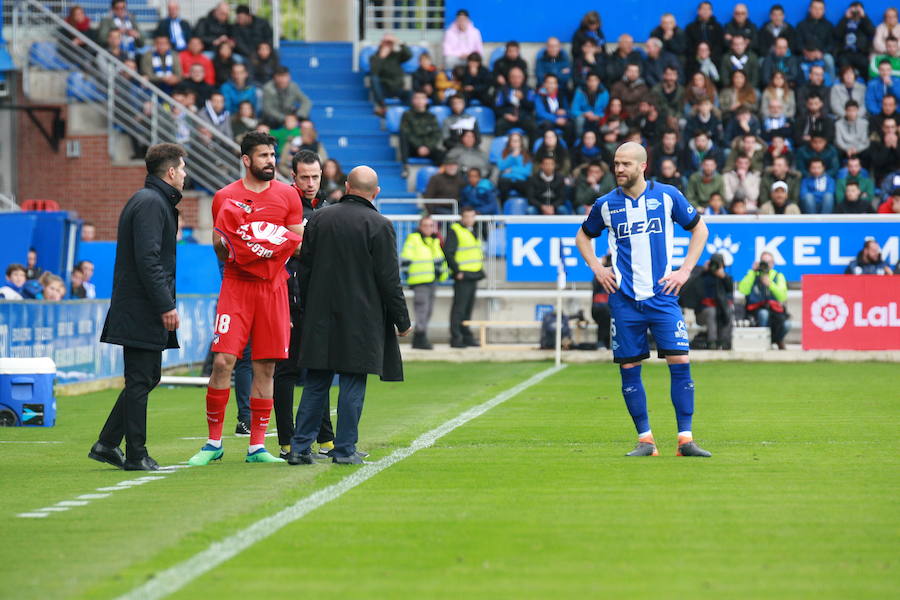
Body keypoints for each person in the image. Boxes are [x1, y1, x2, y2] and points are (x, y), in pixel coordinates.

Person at [575, 141, 711, 458]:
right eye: (616, 163)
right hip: (623, 300)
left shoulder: (667, 195)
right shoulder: (605, 204)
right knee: (629, 367)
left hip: (663, 296)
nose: (618, 169)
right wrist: (597, 268)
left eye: (625, 164)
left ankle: (685, 440)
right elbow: (583, 236)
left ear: (642, 166)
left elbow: (700, 229)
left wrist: (685, 270)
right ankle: (646, 441)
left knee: (680, 362)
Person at [187, 131, 303, 466]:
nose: (271, 161)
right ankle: (213, 443)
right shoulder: (225, 196)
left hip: (273, 288)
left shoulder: (288, 196)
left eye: (272, 155)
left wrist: (268, 240)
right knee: (224, 361)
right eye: (264, 156)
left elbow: (297, 242)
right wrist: (240, 242)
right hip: (237, 286)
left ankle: (256, 447)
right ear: (246, 160)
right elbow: (218, 247)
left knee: (265, 365)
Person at [287, 166, 411, 465]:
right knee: (352, 381)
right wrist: (402, 320)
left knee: (317, 382)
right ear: (376, 192)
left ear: (346, 186)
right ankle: (344, 449)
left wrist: (306, 306)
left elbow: (304, 268)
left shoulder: (318, 219)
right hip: (361, 318)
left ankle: (300, 448)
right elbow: (388, 279)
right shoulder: (379, 225)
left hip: (320, 315)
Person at [89, 143, 185, 472]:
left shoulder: (152, 201)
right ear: (170, 171)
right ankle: (135, 453)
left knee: (146, 377)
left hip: (141, 307)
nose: (185, 175)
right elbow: (148, 259)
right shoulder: (151, 203)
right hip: (142, 308)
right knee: (141, 379)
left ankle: (106, 444)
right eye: (183, 169)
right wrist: (165, 305)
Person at [273, 150, 336, 460]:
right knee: (286, 369)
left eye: (315, 177)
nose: (311, 183)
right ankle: (287, 441)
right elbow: (287, 247)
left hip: (317, 300)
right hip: (288, 300)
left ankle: (325, 441)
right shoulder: (284, 205)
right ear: (293, 177)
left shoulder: (324, 207)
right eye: (305, 177)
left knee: (320, 369)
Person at [401, 215, 447, 350]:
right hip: (419, 281)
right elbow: (405, 259)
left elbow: (439, 260)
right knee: (422, 310)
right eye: (425, 225)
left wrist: (441, 275)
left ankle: (420, 336)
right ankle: (420, 337)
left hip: (431, 280)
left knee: (428, 310)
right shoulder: (414, 239)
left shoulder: (433, 241)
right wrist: (407, 276)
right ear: (420, 227)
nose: (428, 228)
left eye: (431, 225)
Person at [445, 206, 484, 348]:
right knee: (459, 308)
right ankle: (456, 338)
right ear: (462, 217)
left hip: (472, 274)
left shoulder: (472, 231)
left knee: (468, 308)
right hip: (463, 275)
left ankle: (466, 336)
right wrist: (457, 271)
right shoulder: (455, 230)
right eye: (467, 216)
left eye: (472, 216)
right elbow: (448, 252)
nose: (470, 219)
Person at [738, 251, 789, 350]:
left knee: (787, 324)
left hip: (775, 312)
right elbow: (742, 289)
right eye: (764, 262)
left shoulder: (778, 276)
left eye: (769, 262)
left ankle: (778, 340)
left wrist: (770, 285)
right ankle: (762, 343)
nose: (766, 265)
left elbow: (782, 297)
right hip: (756, 310)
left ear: (773, 264)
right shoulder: (753, 274)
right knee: (763, 313)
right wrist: (752, 272)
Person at [685, 253, 734, 350]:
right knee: (712, 311)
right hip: (702, 313)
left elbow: (730, 289)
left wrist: (723, 276)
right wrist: (702, 271)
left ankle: (725, 342)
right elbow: (690, 286)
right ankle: (712, 342)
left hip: (721, 311)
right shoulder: (702, 276)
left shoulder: (725, 277)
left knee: (727, 311)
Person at [369, 33, 413, 116]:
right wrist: (381, 57)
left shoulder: (397, 55)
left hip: (397, 87)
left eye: (390, 42)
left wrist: (399, 42)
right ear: (381, 43)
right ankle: (382, 106)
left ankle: (408, 114)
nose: (388, 45)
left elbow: (410, 55)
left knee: (410, 93)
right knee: (374, 79)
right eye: (386, 42)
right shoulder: (374, 57)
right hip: (384, 88)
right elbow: (374, 72)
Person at [400, 91, 443, 169]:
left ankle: (438, 173)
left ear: (426, 101)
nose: (419, 101)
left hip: (428, 148)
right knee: (403, 136)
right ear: (412, 100)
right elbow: (407, 133)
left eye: (422, 98)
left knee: (441, 153)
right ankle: (405, 166)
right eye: (417, 98)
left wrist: (427, 147)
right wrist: (419, 146)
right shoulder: (407, 115)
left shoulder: (431, 116)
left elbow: (436, 134)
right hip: (413, 148)